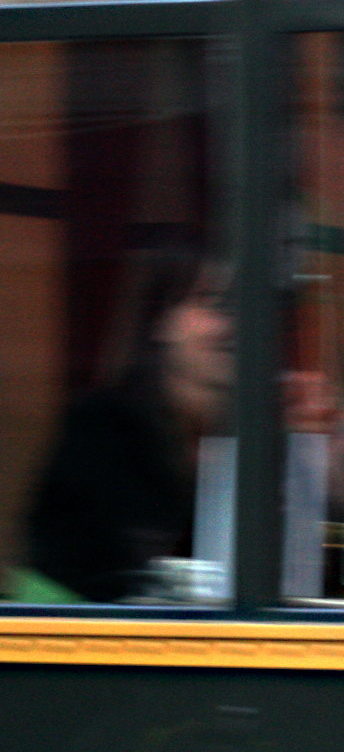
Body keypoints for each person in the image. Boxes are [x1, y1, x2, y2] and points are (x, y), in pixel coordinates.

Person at [25, 253, 232, 601]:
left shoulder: (252, 437)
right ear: (161, 321)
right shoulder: (103, 431)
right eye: (210, 302)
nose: (231, 325)